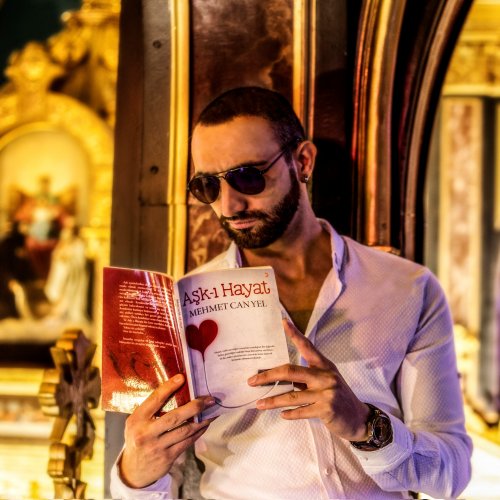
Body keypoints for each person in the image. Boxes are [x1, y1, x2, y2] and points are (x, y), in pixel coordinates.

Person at [110, 87, 472, 499]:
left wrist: (364, 425)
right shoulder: (182, 308)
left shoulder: (406, 288)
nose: (228, 206)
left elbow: (451, 474)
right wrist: (136, 471)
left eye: (248, 177)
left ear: (302, 161)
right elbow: (152, 484)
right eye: (208, 186)